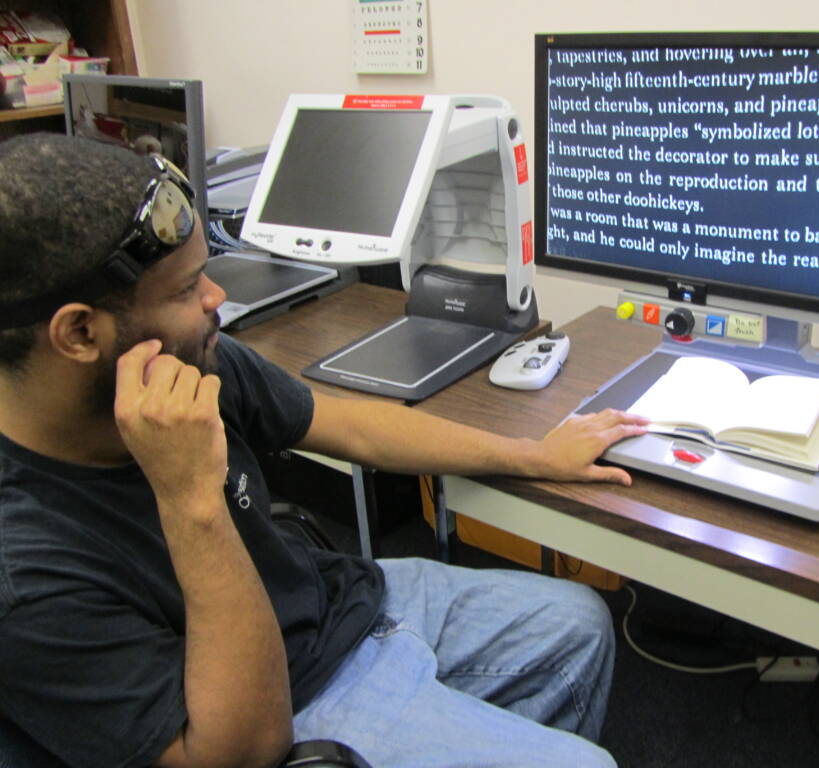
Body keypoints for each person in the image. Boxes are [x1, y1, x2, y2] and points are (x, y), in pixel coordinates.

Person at [0, 134, 649, 768]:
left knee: (576, 623)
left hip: (332, 603)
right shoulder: (23, 577)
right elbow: (237, 752)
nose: (215, 298)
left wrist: (536, 453)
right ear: (80, 332)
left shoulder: (195, 362)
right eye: (184, 289)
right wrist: (191, 496)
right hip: (275, 700)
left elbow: (353, 427)